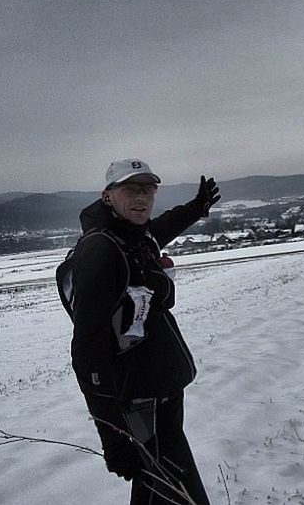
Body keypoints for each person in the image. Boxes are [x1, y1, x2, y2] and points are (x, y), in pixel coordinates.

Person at [68, 158, 219, 505]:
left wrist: (197, 207)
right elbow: (87, 353)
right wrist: (113, 437)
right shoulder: (100, 251)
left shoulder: (138, 236)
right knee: (182, 496)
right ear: (107, 196)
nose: (142, 197)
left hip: (163, 395)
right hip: (141, 403)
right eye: (130, 188)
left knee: (156, 492)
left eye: (148, 188)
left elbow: (166, 223)